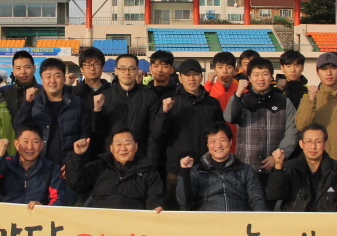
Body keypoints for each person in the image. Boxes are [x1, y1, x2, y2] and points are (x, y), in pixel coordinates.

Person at [150, 58, 225, 209]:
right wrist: (164, 113)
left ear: (201, 77)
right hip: (176, 169)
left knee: (204, 211)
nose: (192, 78)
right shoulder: (170, 102)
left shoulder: (212, 104)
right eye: (187, 75)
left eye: (195, 74)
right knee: (175, 213)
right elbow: (157, 135)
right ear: (180, 78)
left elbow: (221, 135)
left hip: (206, 168)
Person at [14, 58, 89, 201]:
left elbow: (85, 136)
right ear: (41, 79)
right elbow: (19, 128)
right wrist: (27, 104)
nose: (52, 80)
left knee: (64, 211)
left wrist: (73, 165)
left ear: (63, 77)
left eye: (57, 76)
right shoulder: (33, 103)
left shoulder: (77, 103)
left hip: (66, 173)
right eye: (48, 76)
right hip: (38, 172)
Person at [223, 57, 299, 189]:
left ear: (271, 77)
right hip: (246, 168)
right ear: (249, 78)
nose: (261, 79)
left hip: (274, 169)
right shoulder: (242, 99)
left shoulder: (283, 101)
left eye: (265, 74)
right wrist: (238, 93)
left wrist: (278, 156)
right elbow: (229, 117)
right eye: (256, 74)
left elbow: (292, 132)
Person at [295, 52, 337, 175]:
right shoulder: (309, 98)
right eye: (324, 69)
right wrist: (311, 100)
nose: (329, 73)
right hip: (318, 166)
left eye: (333, 68)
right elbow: (302, 126)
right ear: (317, 72)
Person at [92, 53, 160, 155]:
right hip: (112, 156)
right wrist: (97, 111)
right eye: (122, 69)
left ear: (137, 70)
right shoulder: (104, 96)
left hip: (140, 156)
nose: (127, 73)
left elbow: (153, 133)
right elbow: (98, 131)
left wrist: (150, 159)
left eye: (131, 69)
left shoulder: (149, 96)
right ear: (116, 70)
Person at [70, 47, 112, 154]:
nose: (92, 68)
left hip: (106, 149)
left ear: (102, 67)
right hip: (80, 148)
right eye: (87, 65)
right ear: (81, 68)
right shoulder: (74, 93)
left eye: (96, 64)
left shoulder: (112, 92)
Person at [203, 51, 240, 147]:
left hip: (238, 141)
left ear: (235, 69)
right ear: (214, 69)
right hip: (216, 143)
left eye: (229, 67)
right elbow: (200, 101)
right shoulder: (209, 90)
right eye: (220, 67)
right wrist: (208, 83)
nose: (224, 71)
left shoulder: (242, 91)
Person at [0, 50, 39, 120]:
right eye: (18, 68)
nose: (23, 72)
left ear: (34, 69)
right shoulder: (3, 92)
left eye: (27, 67)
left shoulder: (44, 91)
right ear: (13, 71)